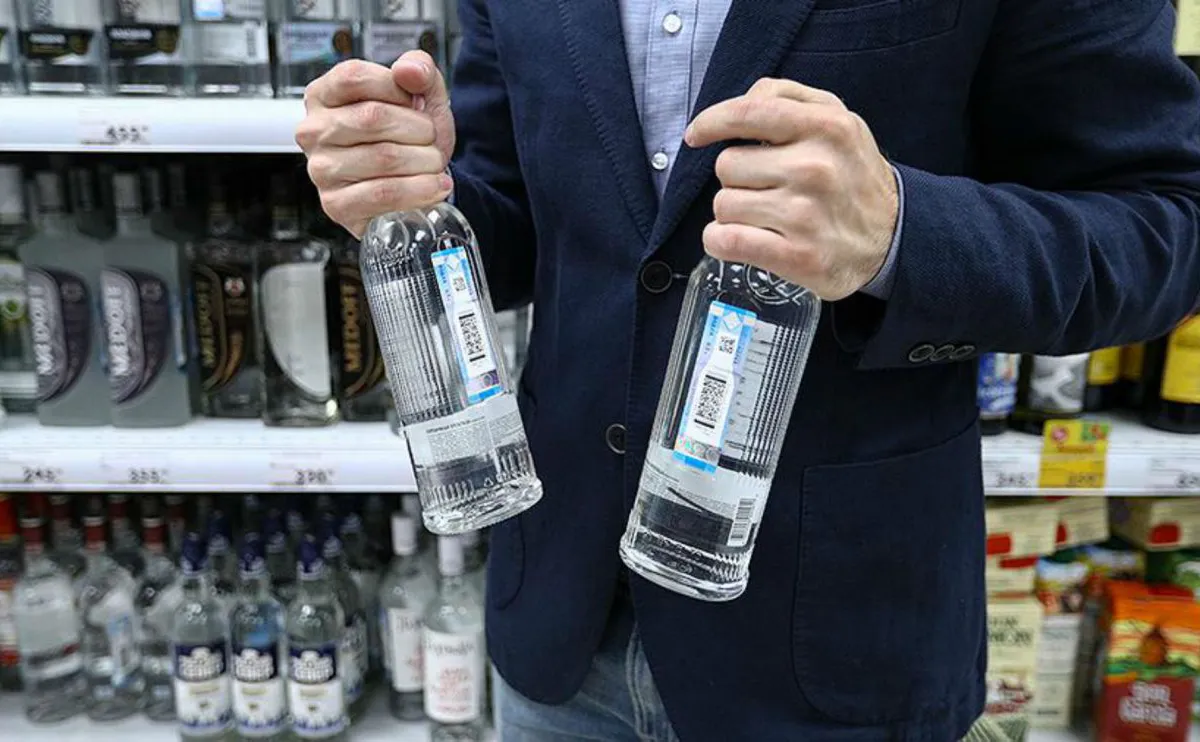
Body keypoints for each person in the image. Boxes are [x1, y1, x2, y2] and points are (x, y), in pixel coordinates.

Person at [296, 1, 1200, 739]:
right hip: (560, 623)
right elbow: (528, 209)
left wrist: (899, 232)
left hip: (837, 643)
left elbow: (1165, 223)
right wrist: (407, 184)